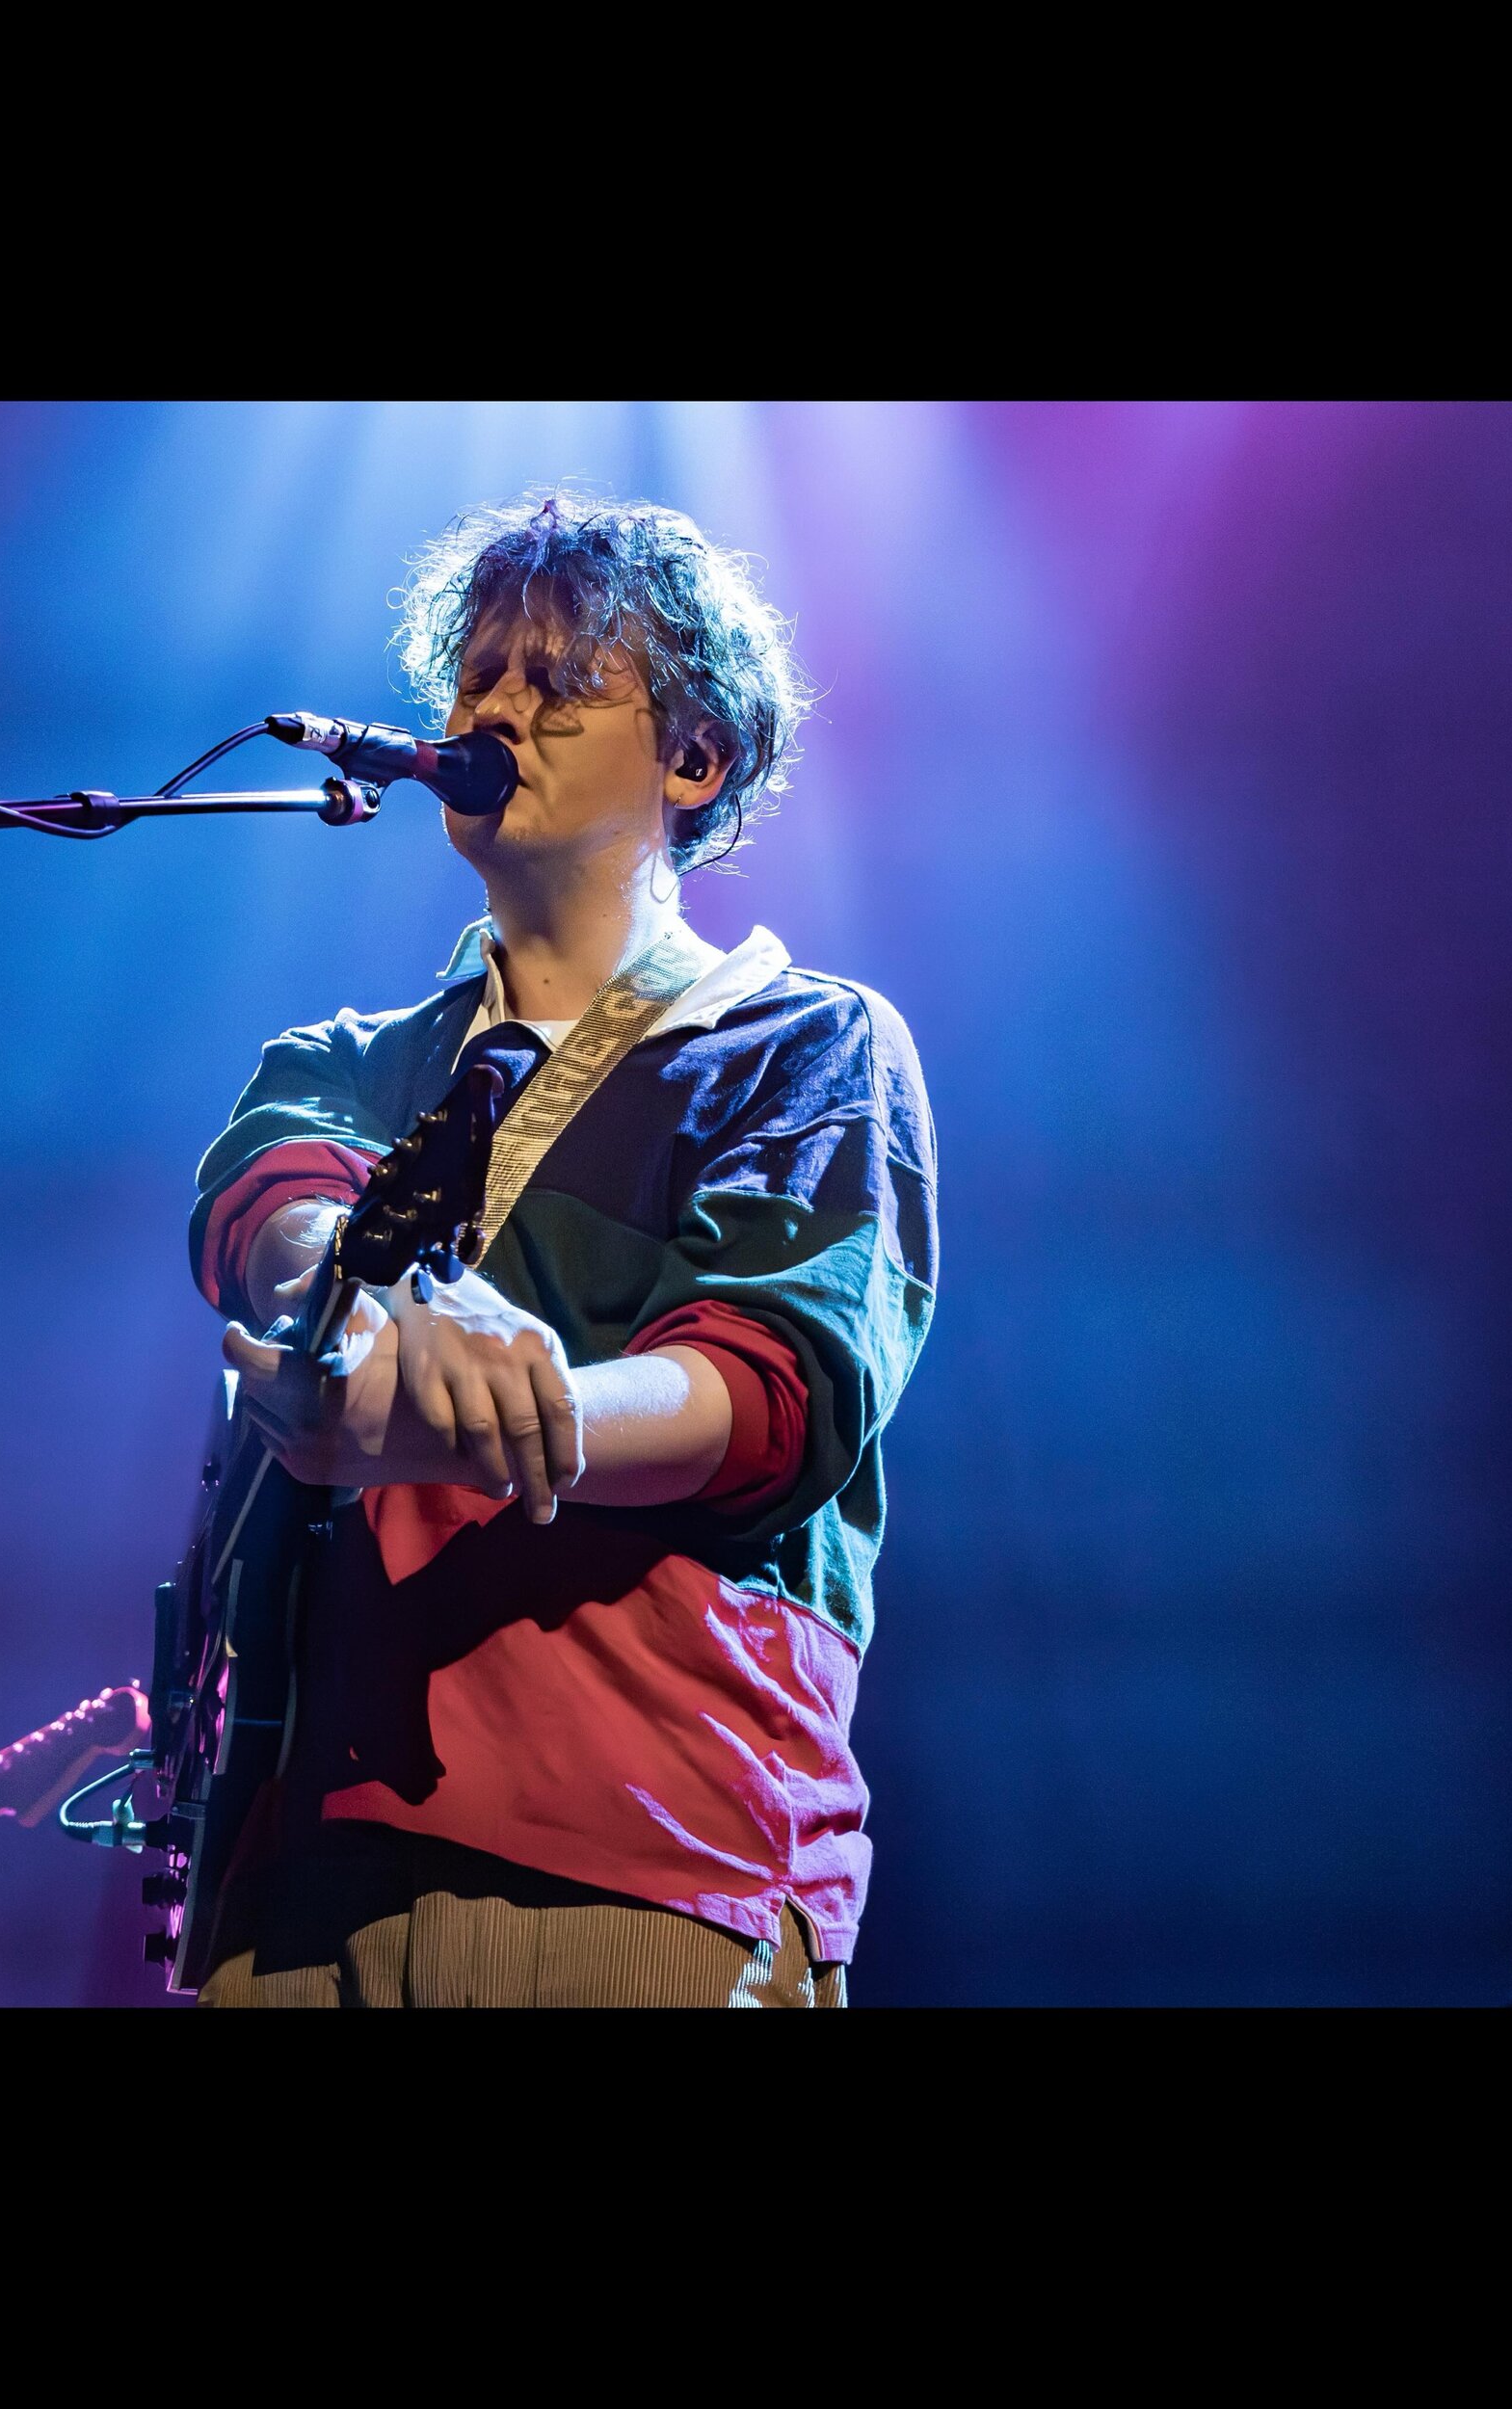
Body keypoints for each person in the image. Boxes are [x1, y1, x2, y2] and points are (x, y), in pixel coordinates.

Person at [192, 490, 938, 2006]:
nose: (497, 710)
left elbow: (772, 1394)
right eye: (478, 677)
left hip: (644, 1856)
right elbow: (269, 1220)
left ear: (694, 757)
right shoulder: (341, 1059)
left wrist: (506, 1411)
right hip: (296, 1880)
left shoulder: (805, 1045)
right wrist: (377, 1329)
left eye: (560, 679)